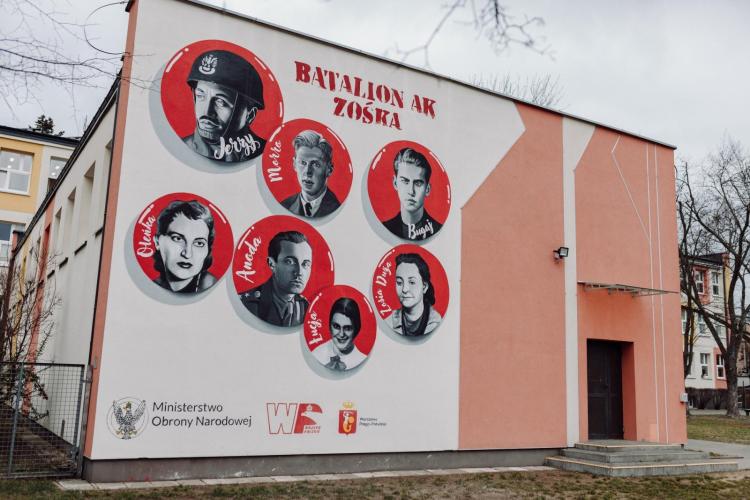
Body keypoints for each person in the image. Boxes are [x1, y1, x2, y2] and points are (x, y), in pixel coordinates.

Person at [182, 49, 266, 163]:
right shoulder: (181, 148)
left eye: (220, 101)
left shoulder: (265, 153)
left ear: (250, 115)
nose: (207, 112)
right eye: (200, 96)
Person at [240, 231, 312, 327]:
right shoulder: (248, 303)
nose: (299, 272)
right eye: (289, 262)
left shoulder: (306, 307)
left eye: (305, 264)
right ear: (271, 264)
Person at [152, 200, 217, 294]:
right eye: (177, 238)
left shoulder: (215, 289)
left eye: (199, 243)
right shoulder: (150, 286)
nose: (187, 254)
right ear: (157, 242)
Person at [382, 147, 443, 240]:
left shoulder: (438, 230)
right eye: (405, 181)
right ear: (395, 183)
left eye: (418, 183)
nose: (411, 191)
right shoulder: (385, 228)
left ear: (427, 189)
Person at [281, 130, 341, 218]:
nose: (308, 172)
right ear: (294, 164)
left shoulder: (338, 208)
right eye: (303, 163)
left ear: (329, 169)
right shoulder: (285, 205)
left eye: (316, 164)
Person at [387, 253, 442, 337]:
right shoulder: (389, 321)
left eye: (412, 282)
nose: (404, 289)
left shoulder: (437, 323)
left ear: (424, 287)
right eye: (399, 282)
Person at [312, 298, 367, 371]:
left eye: (347, 328)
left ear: (356, 329)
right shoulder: (317, 353)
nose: (341, 334)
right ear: (330, 326)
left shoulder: (362, 360)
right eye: (336, 326)